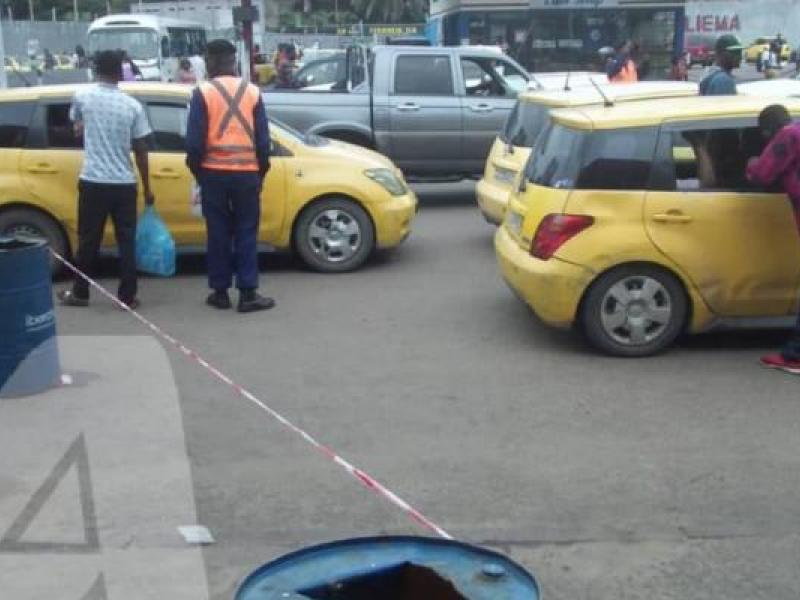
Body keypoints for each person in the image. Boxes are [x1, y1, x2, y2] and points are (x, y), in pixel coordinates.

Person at [58, 50, 154, 310]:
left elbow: (76, 127)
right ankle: (127, 296)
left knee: (89, 240)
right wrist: (147, 188)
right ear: (118, 73)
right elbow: (141, 148)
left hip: (93, 181)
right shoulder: (132, 105)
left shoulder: (82, 97)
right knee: (127, 241)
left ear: (96, 70)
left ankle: (80, 292)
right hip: (124, 184)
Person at [185, 39, 274, 313]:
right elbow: (263, 142)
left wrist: (199, 173)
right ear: (233, 61)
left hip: (213, 174)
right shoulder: (252, 92)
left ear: (211, 61)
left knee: (218, 233)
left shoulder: (203, 93)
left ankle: (220, 293)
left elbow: (194, 143)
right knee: (247, 231)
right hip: (247, 174)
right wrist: (259, 174)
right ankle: (248, 294)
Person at [745, 105, 800, 373]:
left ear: (767, 131)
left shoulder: (789, 136)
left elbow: (763, 174)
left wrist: (751, 163)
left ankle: (795, 356)